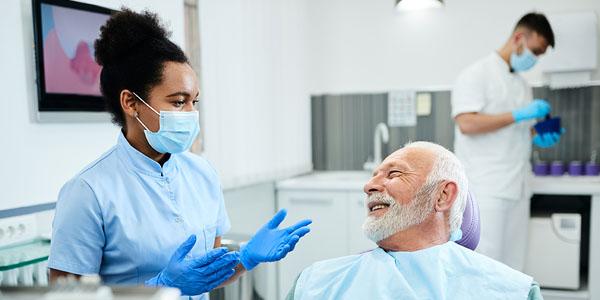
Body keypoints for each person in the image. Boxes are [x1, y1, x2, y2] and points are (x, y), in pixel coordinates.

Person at [48, 9, 311, 299]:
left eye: (194, 101)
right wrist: (158, 288)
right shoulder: (88, 192)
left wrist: (245, 259)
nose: (191, 113)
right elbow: (66, 297)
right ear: (131, 103)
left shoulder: (203, 174)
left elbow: (206, 275)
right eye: (178, 102)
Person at [286, 142, 542, 300]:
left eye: (394, 173)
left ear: (442, 195)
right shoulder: (315, 283)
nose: (369, 186)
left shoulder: (512, 292)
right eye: (373, 176)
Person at [451, 12, 562, 270]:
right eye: (535, 51)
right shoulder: (476, 74)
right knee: (484, 266)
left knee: (513, 268)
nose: (535, 59)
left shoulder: (523, 86)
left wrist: (539, 135)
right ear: (518, 38)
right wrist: (518, 114)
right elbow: (467, 123)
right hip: (486, 188)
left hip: (518, 187)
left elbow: (518, 131)